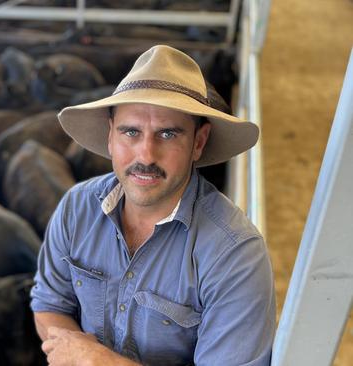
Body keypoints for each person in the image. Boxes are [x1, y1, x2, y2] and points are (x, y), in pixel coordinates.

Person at [30, 45, 276, 365]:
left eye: (168, 134)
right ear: (110, 137)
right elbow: (49, 305)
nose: (145, 155)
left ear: (198, 143)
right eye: (131, 132)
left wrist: (100, 361)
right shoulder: (76, 208)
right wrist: (74, 350)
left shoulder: (235, 254)